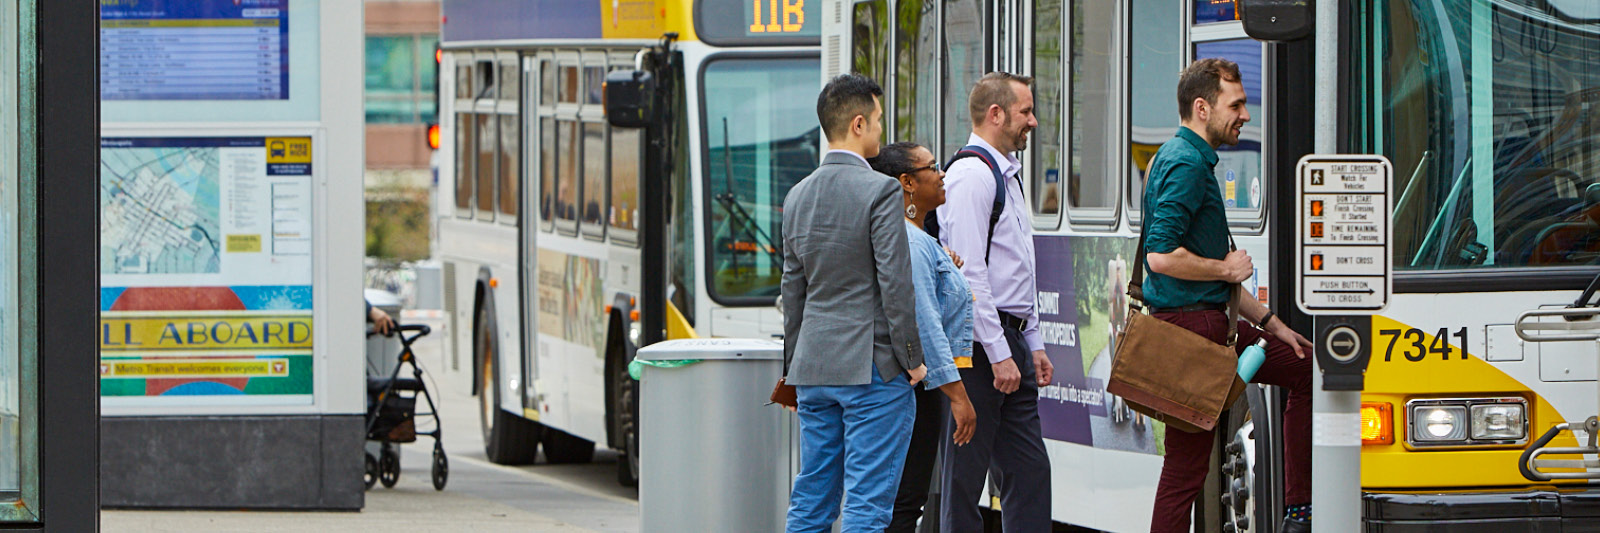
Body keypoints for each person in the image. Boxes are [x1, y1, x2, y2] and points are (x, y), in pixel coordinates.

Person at [1140, 58, 1313, 533]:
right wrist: (1225, 267)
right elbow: (1161, 255)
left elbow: (1210, 271)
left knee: (1304, 365)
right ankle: (1299, 511)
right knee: (1184, 470)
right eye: (1236, 104)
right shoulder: (1188, 165)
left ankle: (1300, 510)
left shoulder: (1177, 156)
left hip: (1202, 323)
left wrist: (1275, 326)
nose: (1245, 115)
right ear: (1202, 108)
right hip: (1194, 332)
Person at [781, 73, 928, 533]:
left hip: (813, 367)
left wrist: (791, 369)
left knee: (812, 495)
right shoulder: (881, 191)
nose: (882, 132)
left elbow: (792, 291)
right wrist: (912, 360)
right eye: (879, 121)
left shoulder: (796, 195)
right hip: (871, 367)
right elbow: (895, 282)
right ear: (859, 124)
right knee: (867, 502)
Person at [935, 71, 1054, 532]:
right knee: (965, 478)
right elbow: (970, 277)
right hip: (982, 346)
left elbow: (1018, 268)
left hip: (1010, 342)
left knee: (1029, 472)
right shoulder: (971, 176)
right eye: (1025, 111)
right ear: (995, 114)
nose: (1034, 121)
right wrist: (1000, 353)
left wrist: (1034, 342)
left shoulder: (1006, 174)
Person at [868, 142, 979, 532]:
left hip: (910, 382)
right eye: (933, 166)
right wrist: (958, 395)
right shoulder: (912, 241)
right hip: (912, 385)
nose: (943, 172)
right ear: (907, 183)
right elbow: (925, 322)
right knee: (904, 500)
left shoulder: (916, 238)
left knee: (898, 498)